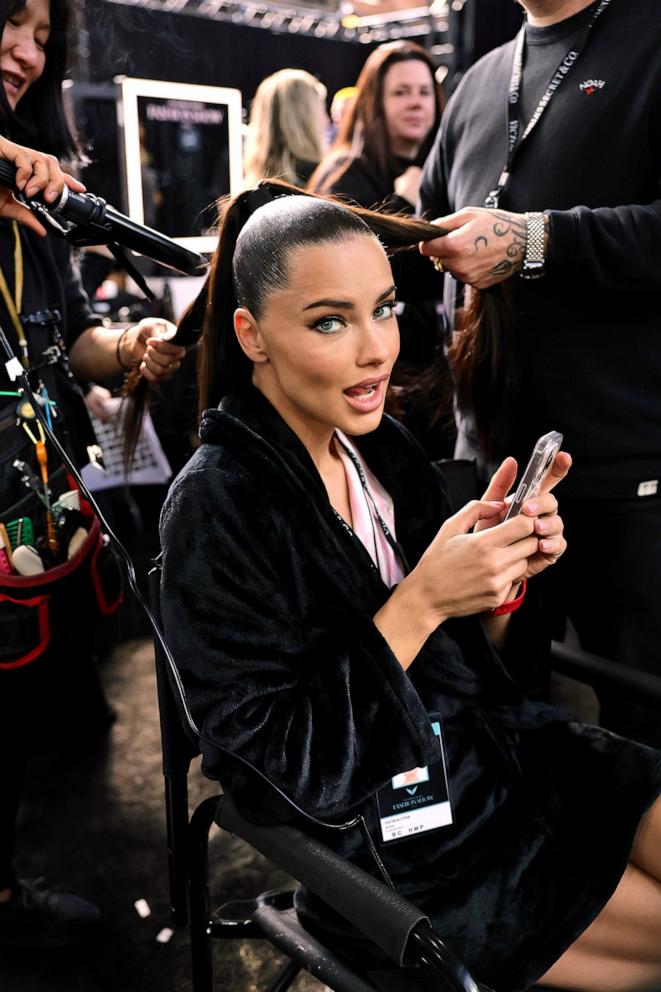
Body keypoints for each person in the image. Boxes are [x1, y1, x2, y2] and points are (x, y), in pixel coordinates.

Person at [159, 181, 661, 992]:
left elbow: (467, 666)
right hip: (397, 849)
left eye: (384, 310)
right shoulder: (218, 507)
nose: (374, 351)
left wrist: (498, 581)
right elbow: (280, 772)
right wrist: (421, 598)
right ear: (251, 334)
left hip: (505, 760)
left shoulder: (380, 448)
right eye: (330, 321)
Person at [415, 0, 661, 747]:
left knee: (643, 733)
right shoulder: (481, 78)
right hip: (491, 473)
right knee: (494, 724)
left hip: (626, 476)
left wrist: (537, 239)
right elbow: (423, 231)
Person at [0, 0, 186, 946]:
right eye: (11, 23)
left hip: (26, 520)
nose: (26, 54)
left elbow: (72, 343)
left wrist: (135, 345)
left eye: (42, 34)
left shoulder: (31, 202)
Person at [309, 41, 450, 456]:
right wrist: (405, 206)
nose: (415, 103)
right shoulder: (346, 176)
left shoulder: (440, 172)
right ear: (376, 100)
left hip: (430, 376)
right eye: (401, 92)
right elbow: (370, 276)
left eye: (424, 93)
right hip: (370, 380)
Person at [242, 68, 329, 189]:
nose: (326, 120)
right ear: (308, 118)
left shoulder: (252, 188)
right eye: (322, 109)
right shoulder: (325, 181)